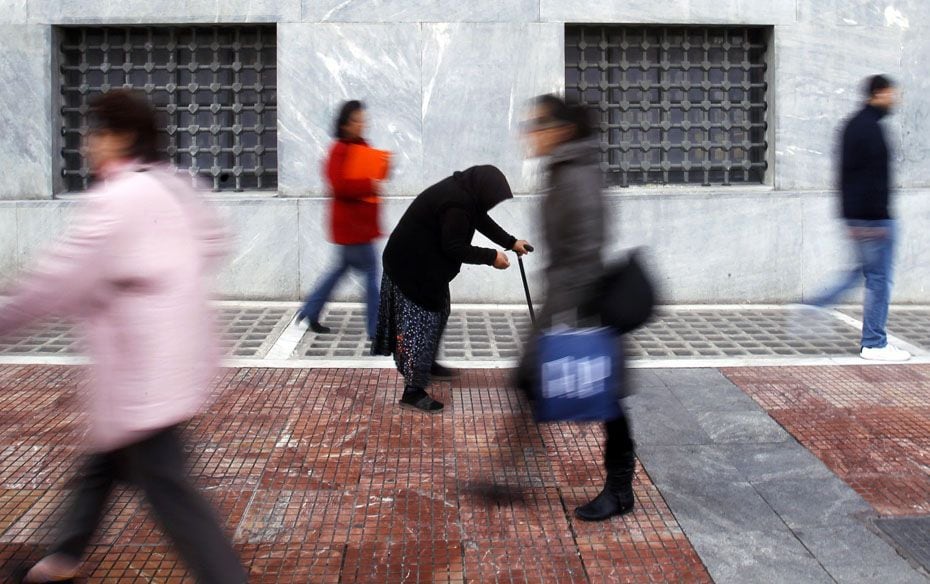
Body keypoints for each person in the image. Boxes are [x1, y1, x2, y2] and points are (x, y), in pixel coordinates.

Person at [0, 90, 246, 583]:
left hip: (142, 377)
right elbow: (213, 243)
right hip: (177, 359)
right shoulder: (175, 184)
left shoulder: (120, 200)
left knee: (170, 491)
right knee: (102, 462)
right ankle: (62, 559)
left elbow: (56, 282)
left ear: (121, 137)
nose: (89, 145)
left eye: (96, 133)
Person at [518, 94, 636, 522]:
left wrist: (559, 320)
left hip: (586, 303)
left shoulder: (577, 176)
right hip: (574, 300)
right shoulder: (566, 170)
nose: (529, 134)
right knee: (585, 393)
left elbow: (583, 255)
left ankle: (619, 489)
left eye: (537, 125)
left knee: (608, 399)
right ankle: (515, 470)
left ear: (562, 131)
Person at [372, 166, 530, 413]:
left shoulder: (465, 195)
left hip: (425, 267)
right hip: (410, 268)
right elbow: (454, 247)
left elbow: (480, 219)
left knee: (440, 312)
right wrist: (492, 257)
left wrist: (510, 242)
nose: (489, 205)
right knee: (421, 327)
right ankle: (412, 391)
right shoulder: (456, 202)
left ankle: (428, 365)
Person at [804, 75, 910, 361]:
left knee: (858, 273)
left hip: (857, 216)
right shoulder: (871, 129)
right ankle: (874, 343)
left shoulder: (853, 125)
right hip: (874, 219)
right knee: (878, 279)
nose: (894, 100)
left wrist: (851, 216)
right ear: (877, 94)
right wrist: (877, 220)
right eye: (891, 94)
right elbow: (873, 179)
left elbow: (846, 174)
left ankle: (814, 306)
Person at [297, 100, 384, 338]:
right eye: (356, 120)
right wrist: (370, 183)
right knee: (371, 276)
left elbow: (370, 175)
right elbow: (339, 185)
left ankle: (310, 310)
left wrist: (381, 168)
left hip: (361, 226)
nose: (361, 125)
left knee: (339, 270)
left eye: (363, 120)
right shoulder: (339, 150)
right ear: (344, 125)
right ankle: (375, 328)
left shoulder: (362, 146)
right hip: (352, 228)